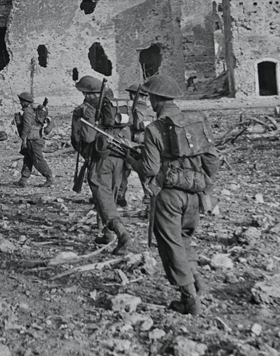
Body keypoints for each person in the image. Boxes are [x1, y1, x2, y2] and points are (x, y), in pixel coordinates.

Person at [124, 74, 220, 315]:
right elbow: (212, 161)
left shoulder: (155, 129)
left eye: (150, 97)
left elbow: (150, 169)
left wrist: (131, 160)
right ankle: (198, 280)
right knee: (185, 238)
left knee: (171, 244)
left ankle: (189, 299)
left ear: (156, 100)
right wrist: (200, 182)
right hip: (195, 194)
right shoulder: (195, 121)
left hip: (169, 197)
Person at [71, 76, 132, 256]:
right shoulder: (113, 106)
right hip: (119, 157)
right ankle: (107, 233)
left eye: (84, 93)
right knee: (109, 194)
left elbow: (86, 138)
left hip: (100, 159)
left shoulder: (87, 110)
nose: (83, 96)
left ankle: (122, 234)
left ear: (88, 94)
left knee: (102, 195)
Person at [117, 83, 156, 214]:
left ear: (133, 95)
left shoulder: (136, 108)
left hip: (134, 143)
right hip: (146, 144)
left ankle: (121, 198)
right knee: (144, 175)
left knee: (125, 172)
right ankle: (149, 202)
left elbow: (134, 125)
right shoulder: (150, 109)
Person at [15, 92, 54, 188]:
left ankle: (49, 177)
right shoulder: (33, 110)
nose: (20, 103)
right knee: (28, 158)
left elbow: (27, 126)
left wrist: (23, 138)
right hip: (35, 138)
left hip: (32, 139)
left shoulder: (28, 112)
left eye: (21, 101)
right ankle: (23, 179)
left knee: (37, 160)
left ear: (25, 102)